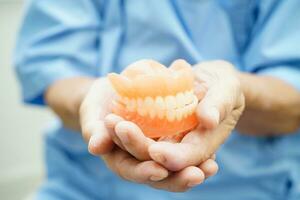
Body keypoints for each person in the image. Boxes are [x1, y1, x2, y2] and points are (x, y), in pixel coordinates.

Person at [14, 0, 300, 199]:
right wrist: (87, 98)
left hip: (256, 190)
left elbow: (293, 96)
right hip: (84, 189)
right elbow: (54, 68)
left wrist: (239, 91)